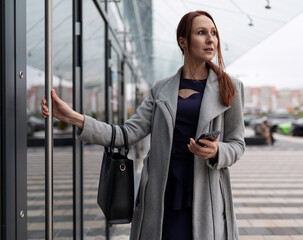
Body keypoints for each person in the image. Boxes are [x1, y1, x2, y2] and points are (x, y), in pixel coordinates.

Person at [42, 10, 245, 240]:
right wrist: (73, 118)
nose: (211, 40)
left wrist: (218, 151)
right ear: (183, 42)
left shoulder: (230, 87)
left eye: (214, 33)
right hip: (161, 198)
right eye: (201, 33)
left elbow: (237, 144)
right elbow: (126, 134)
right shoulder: (161, 89)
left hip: (206, 199)